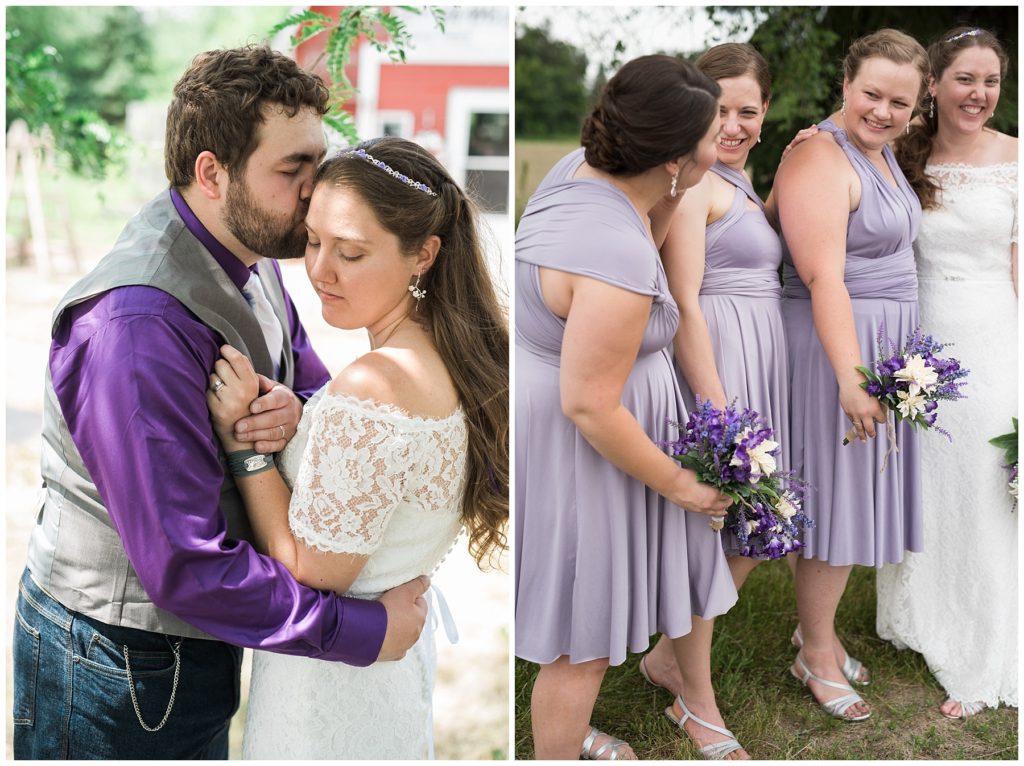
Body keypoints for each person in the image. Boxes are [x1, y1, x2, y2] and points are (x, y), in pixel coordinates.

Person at [11, 46, 429, 760]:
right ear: (212, 173)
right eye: (293, 170)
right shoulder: (135, 328)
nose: (316, 192)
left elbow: (311, 383)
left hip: (193, 649)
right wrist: (364, 631)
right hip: (115, 666)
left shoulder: (249, 251)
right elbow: (186, 565)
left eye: (318, 163)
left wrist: (295, 412)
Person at [205, 136, 509, 759]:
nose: (320, 270)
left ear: (423, 255)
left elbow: (310, 570)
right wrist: (304, 419)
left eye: (350, 252)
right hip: (387, 673)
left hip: (327, 693)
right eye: (313, 241)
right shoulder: (455, 361)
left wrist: (245, 447)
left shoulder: (374, 385)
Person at [516, 55, 743, 761]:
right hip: (588, 443)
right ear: (674, 157)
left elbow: (643, 227)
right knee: (580, 641)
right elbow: (590, 404)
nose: (721, 146)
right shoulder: (613, 254)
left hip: (558, 416)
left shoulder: (579, 176)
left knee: (584, 617)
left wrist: (675, 192)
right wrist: (683, 487)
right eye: (711, 136)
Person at [774, 28, 928, 722]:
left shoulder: (881, 150)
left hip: (874, 341)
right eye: (872, 94)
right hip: (834, 345)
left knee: (845, 499)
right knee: (834, 505)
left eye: (900, 102)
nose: (883, 111)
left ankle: (820, 635)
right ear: (844, 85)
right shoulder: (819, 155)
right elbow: (822, 277)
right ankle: (816, 653)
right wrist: (851, 376)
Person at [876, 26, 1017, 720]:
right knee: (930, 477)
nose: (979, 93)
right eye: (965, 78)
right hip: (921, 341)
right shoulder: (902, 152)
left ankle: (985, 638)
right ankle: (925, 612)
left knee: (987, 480)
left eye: (991, 81)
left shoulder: (1017, 159)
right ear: (932, 83)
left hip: (995, 337)